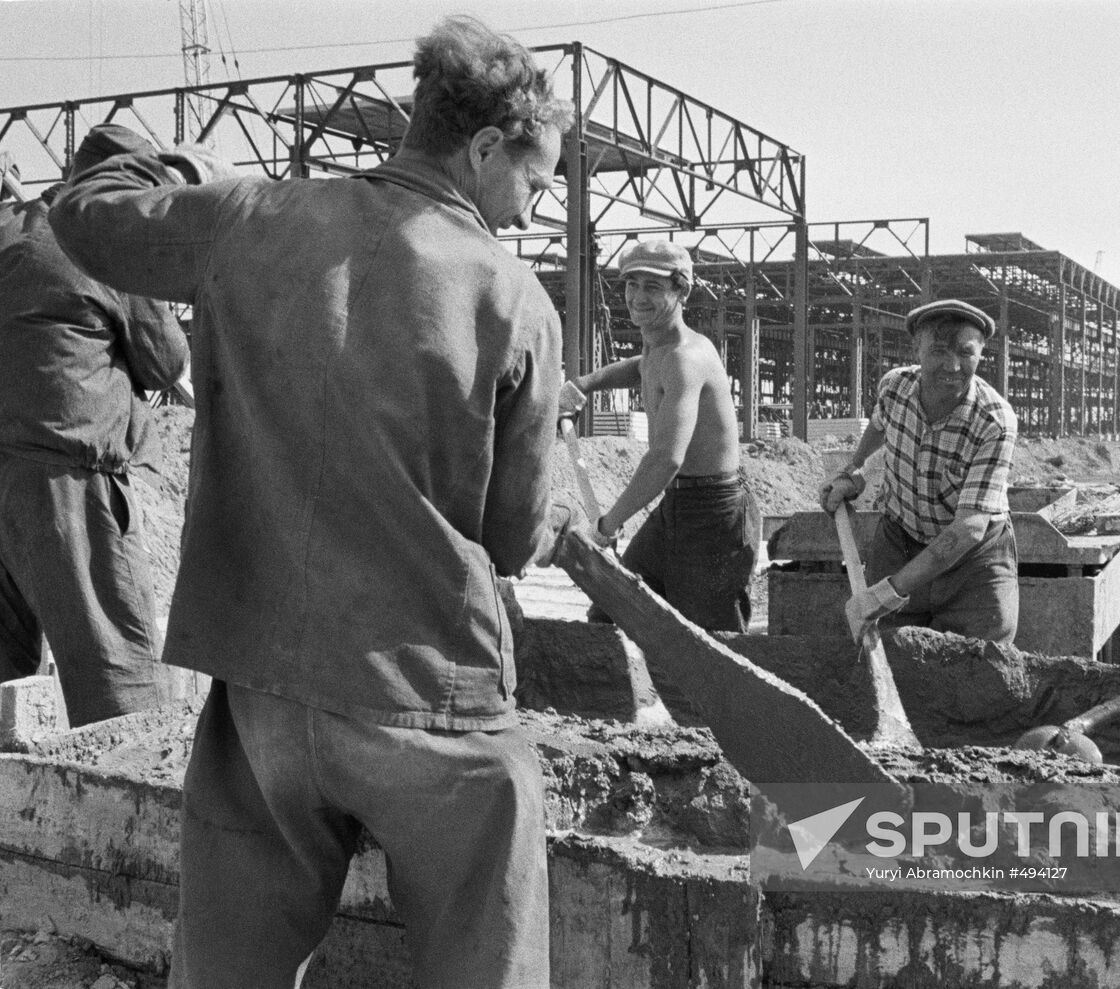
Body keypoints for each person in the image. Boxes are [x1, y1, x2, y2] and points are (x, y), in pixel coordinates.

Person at [51, 16, 570, 988]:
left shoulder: (251, 216)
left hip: (262, 699)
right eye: (533, 182)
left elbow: (86, 213)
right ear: (487, 146)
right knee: (485, 937)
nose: (531, 211)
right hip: (429, 698)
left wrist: (173, 158)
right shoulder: (512, 296)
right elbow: (507, 540)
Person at [0, 123, 188, 728]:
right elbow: (167, 362)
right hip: (68, 487)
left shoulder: (12, 233)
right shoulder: (103, 245)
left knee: (5, 686)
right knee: (120, 693)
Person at [559, 240, 760, 632]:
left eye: (652, 287)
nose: (637, 297)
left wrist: (607, 525)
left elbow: (665, 460)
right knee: (614, 608)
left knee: (711, 643)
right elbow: (641, 366)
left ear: (681, 290)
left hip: (714, 516)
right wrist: (585, 383)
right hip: (678, 506)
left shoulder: (686, 358)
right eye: (632, 284)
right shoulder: (659, 347)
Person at [818, 299, 1019, 647]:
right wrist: (855, 469)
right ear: (917, 348)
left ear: (982, 354)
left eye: (965, 353)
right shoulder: (895, 387)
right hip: (900, 541)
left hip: (974, 563)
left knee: (980, 663)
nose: (952, 365)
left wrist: (889, 591)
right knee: (888, 655)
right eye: (938, 351)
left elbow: (969, 529)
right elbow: (881, 425)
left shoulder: (994, 421)